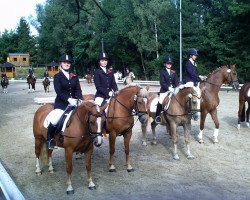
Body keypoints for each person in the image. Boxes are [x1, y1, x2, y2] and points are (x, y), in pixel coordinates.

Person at [46, 54, 83, 149]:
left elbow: (78, 89)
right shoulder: (57, 76)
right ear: (61, 64)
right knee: (55, 120)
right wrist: (69, 99)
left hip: (75, 103)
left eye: (68, 63)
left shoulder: (74, 76)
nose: (67, 64)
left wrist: (79, 99)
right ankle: (49, 140)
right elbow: (59, 91)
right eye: (64, 62)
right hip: (62, 104)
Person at [155, 56, 180, 123]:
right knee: (160, 101)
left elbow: (176, 81)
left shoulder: (173, 72)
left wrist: (176, 87)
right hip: (164, 91)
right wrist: (169, 88)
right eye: (168, 63)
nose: (169, 64)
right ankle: (157, 116)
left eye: (170, 63)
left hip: (173, 90)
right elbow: (162, 83)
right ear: (165, 64)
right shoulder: (162, 72)